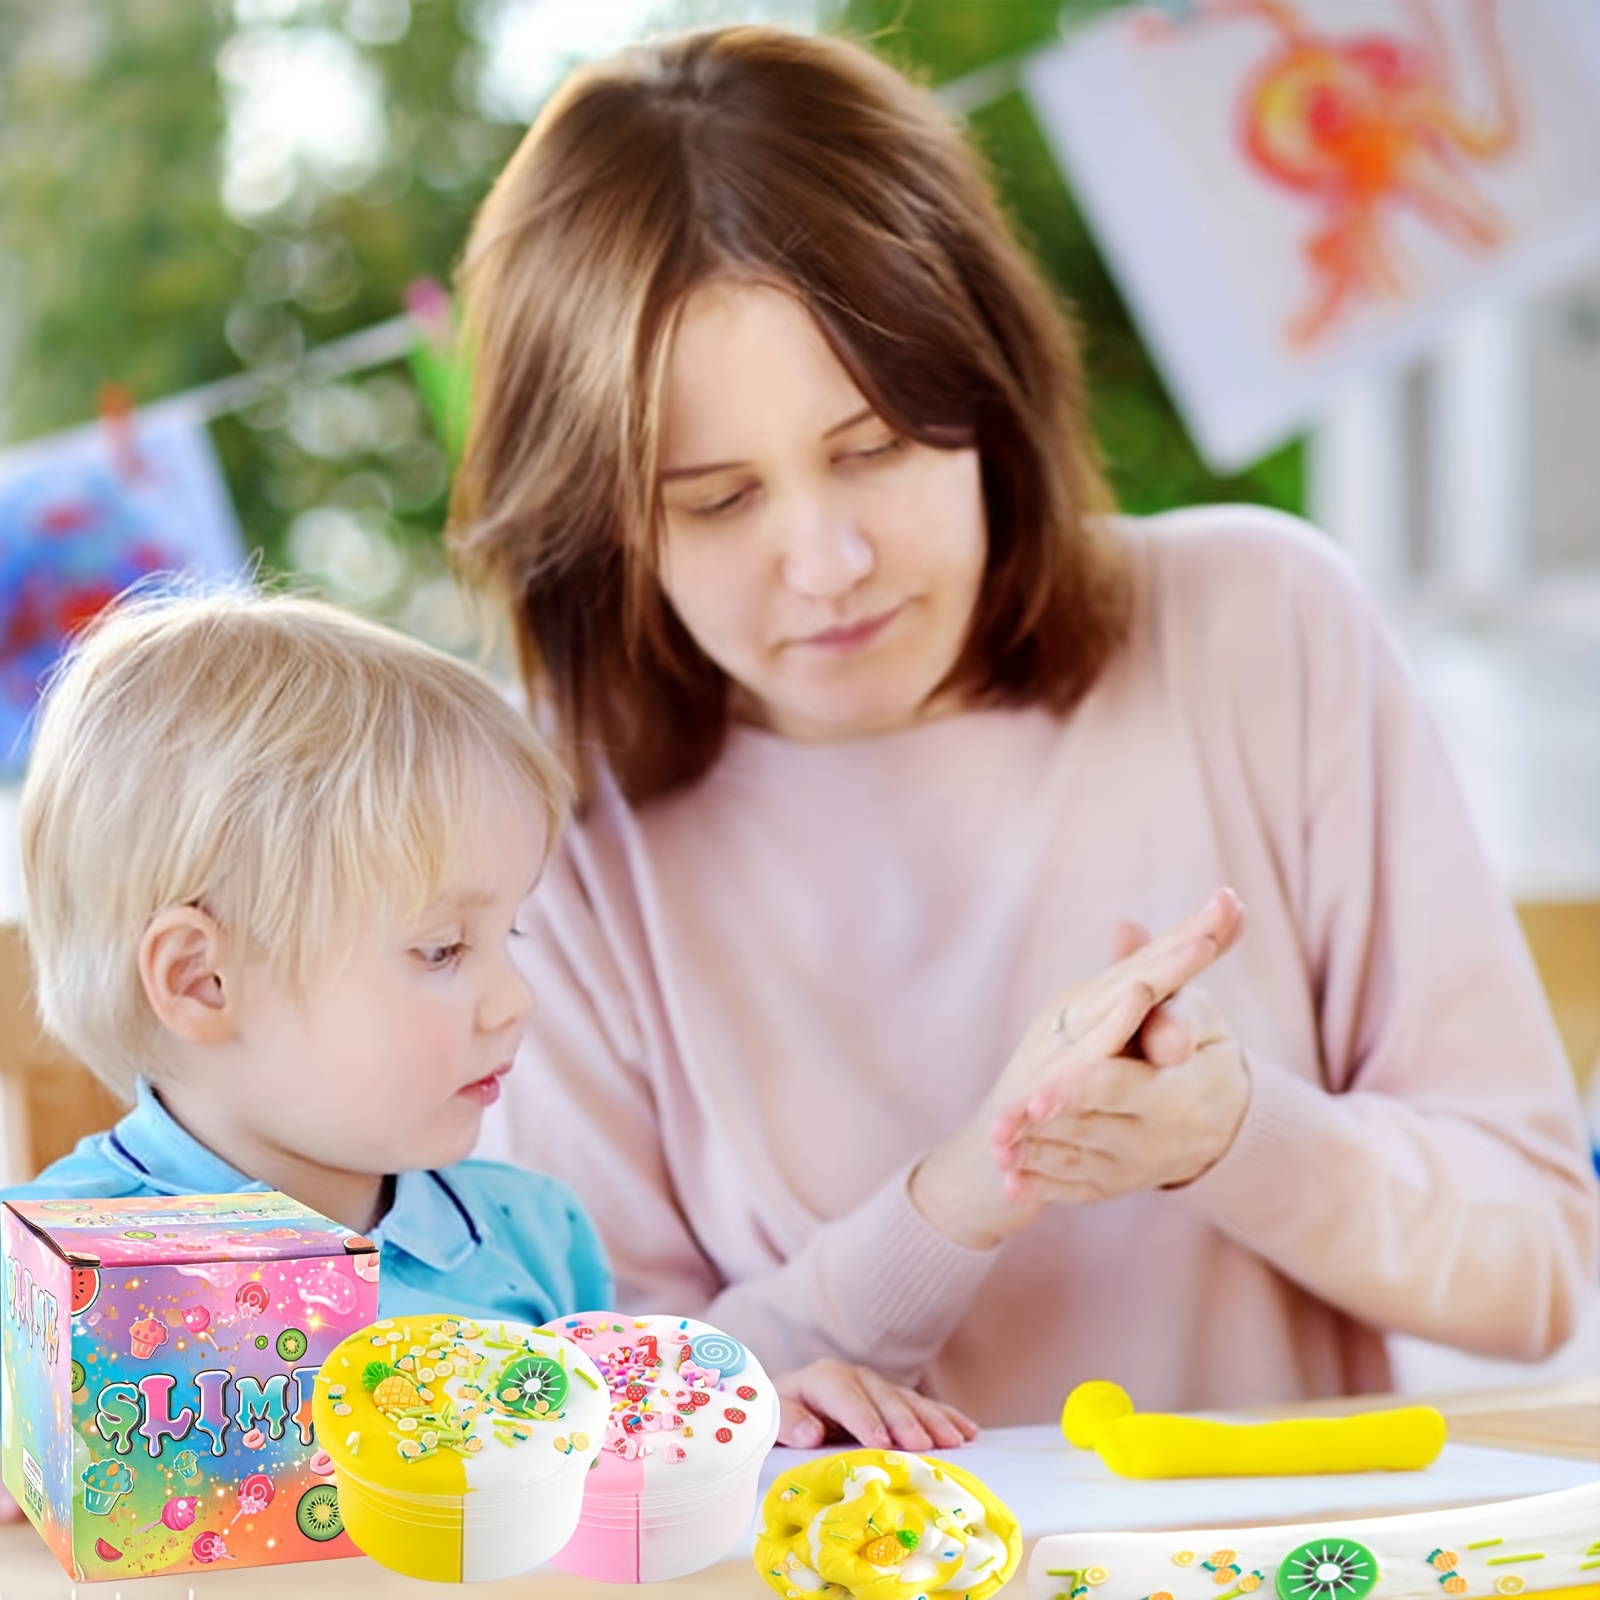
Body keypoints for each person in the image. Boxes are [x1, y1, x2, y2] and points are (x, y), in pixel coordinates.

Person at [450, 27, 1599, 1450]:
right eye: (718, 500)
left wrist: (1234, 1138)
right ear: (599, 522)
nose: (828, 559)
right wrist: (954, 1205)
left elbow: (1540, 1268)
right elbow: (607, 1419)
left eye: (874, 448)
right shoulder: (547, 818)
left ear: (987, 401)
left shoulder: (1258, 621)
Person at [0, 588, 610, 1318]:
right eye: (442, 949)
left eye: (505, 933)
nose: (516, 999)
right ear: (202, 980)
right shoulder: (38, 1282)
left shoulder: (536, 1238)